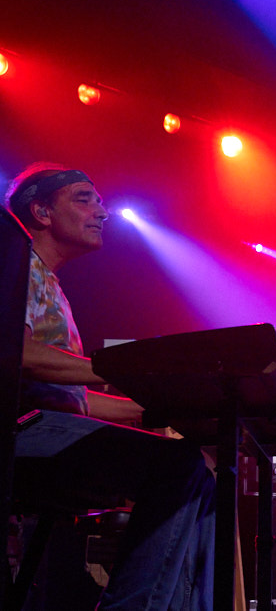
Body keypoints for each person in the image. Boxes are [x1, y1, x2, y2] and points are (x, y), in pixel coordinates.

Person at [6, 164, 216, 610]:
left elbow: (74, 400)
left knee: (198, 467)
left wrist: (164, 415)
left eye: (100, 201)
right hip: (20, 433)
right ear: (41, 211)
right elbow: (17, 355)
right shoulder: (15, 262)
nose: (102, 212)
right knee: (177, 467)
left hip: (48, 427)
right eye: (84, 199)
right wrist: (122, 368)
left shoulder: (51, 283)